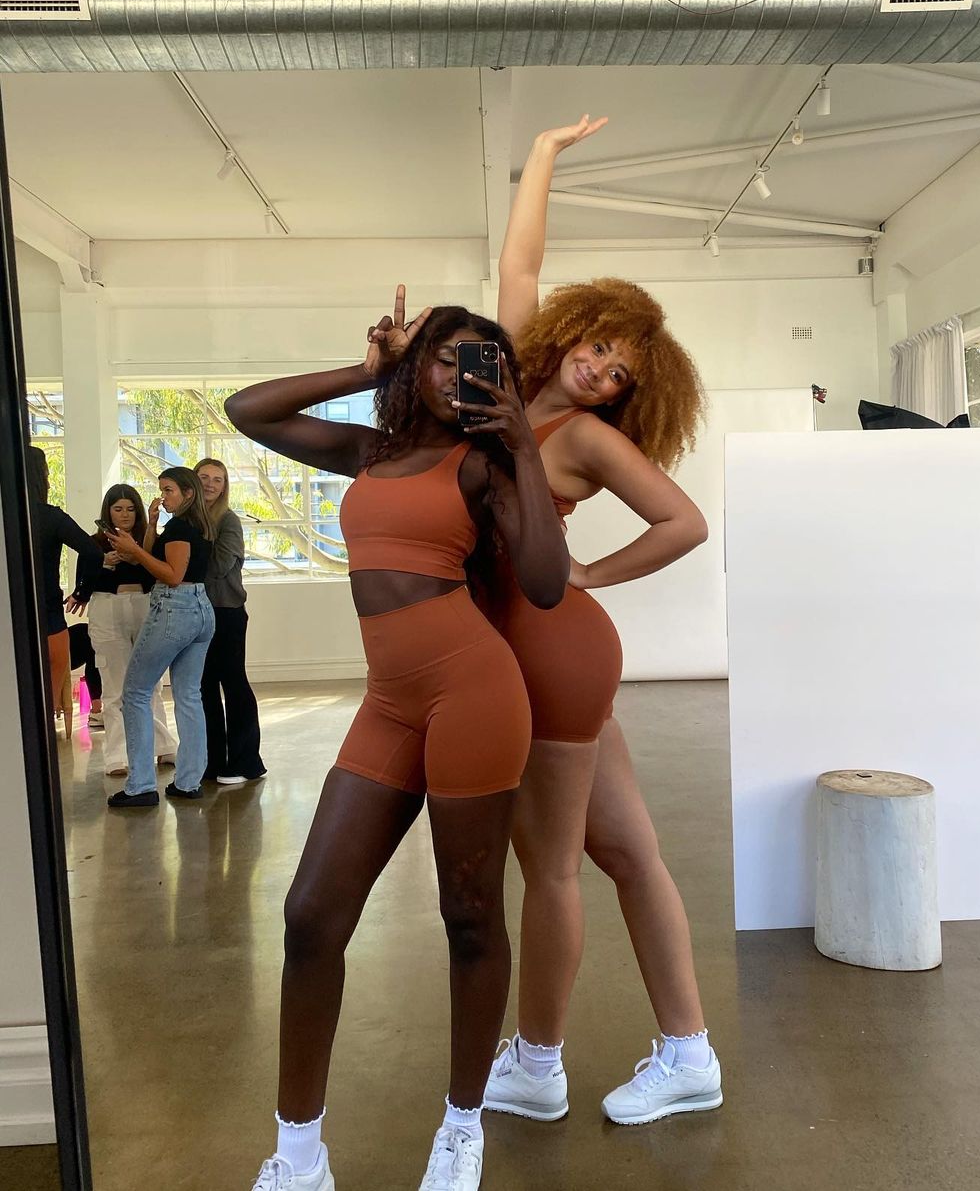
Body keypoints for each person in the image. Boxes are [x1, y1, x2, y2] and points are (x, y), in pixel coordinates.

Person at [226, 290, 568, 1191]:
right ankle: (299, 1156)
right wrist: (364, 369)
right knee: (310, 917)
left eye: (481, 365)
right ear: (417, 365)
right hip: (389, 702)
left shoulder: (482, 466)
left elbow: (544, 583)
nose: (459, 377)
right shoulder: (369, 451)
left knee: (469, 914)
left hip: (473, 695)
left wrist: (524, 446)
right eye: (446, 358)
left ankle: (462, 1125)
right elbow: (246, 411)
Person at [483, 116, 724, 1127]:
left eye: (622, 372)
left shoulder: (581, 436)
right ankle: (691, 1053)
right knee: (629, 854)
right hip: (544, 653)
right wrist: (542, 156)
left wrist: (588, 572)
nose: (601, 370)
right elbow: (520, 266)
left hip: (550, 648)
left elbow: (685, 522)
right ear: (574, 332)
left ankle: (537, 1066)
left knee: (549, 867)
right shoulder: (506, 383)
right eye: (599, 347)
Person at [104, 467, 216, 809]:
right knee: (188, 695)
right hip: (200, 608)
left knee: (136, 692)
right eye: (161, 489)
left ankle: (140, 786)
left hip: (174, 607)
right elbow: (155, 556)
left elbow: (171, 575)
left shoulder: (181, 528)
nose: (162, 496)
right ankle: (189, 782)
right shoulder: (196, 525)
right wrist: (151, 525)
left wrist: (133, 549)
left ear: (188, 493)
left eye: (168, 490)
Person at [69, 485, 178, 776]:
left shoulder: (148, 540)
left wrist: (138, 555)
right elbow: (83, 587)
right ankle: (117, 754)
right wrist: (102, 563)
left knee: (151, 683)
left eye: (130, 509)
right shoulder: (93, 543)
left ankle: (163, 745)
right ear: (108, 512)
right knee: (114, 685)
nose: (125, 514)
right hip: (107, 608)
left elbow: (161, 575)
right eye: (118, 509)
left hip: (144, 604)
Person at [194, 458, 266, 786]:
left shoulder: (228, 520)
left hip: (226, 612)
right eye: (204, 477)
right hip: (196, 612)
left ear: (224, 486)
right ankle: (211, 762)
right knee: (204, 687)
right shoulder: (188, 520)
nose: (210, 484)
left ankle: (245, 762)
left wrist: (181, 568)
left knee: (233, 684)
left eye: (218, 479)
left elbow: (219, 566)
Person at [26, 447, 102, 726]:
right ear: (42, 476)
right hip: (49, 616)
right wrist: (82, 592)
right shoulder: (51, 517)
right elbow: (93, 552)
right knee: (45, 700)